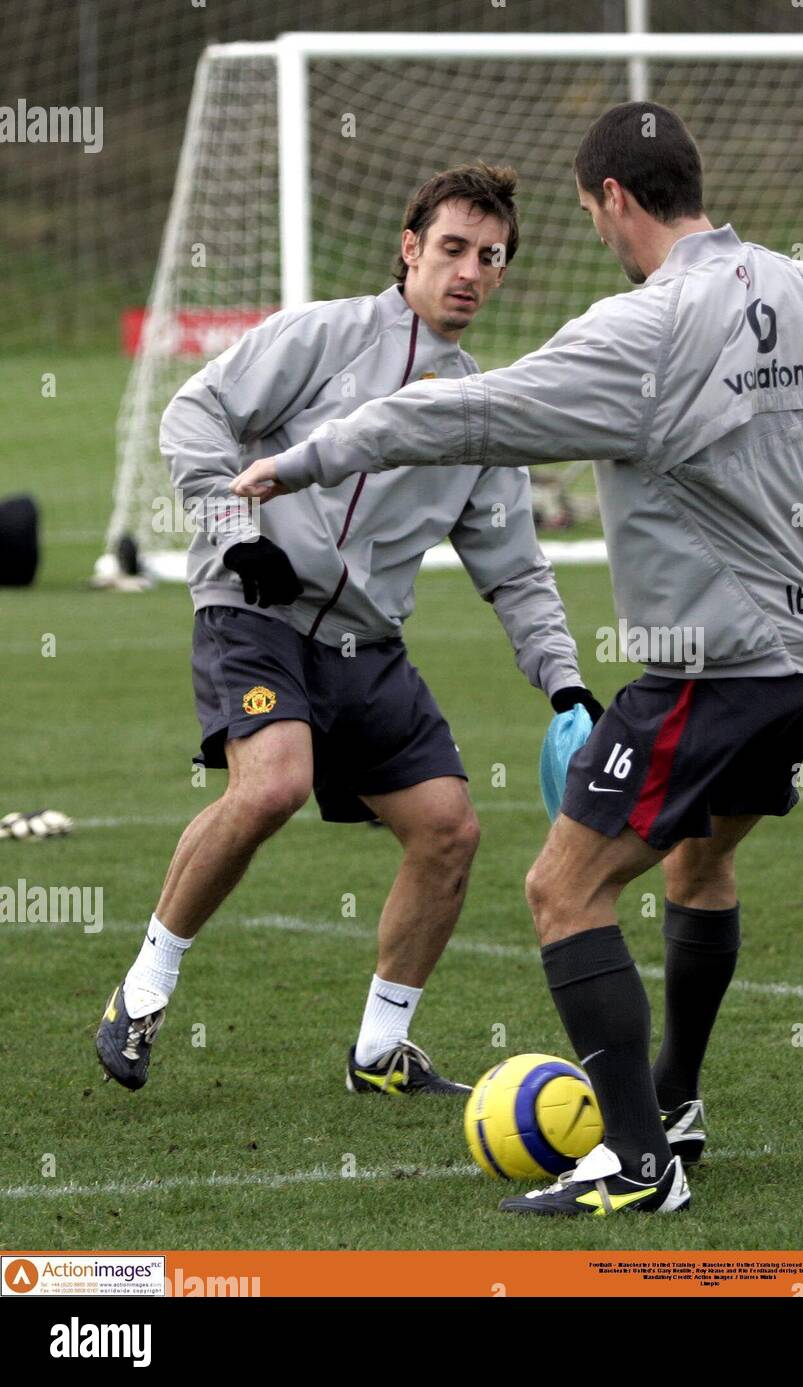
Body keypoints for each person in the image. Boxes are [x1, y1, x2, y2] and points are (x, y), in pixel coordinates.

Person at [233, 103, 803, 1215]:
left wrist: (306, 459)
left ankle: (641, 1164)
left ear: (609, 200)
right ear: (690, 182)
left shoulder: (635, 332)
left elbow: (460, 412)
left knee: (561, 890)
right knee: (699, 863)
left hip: (717, 668)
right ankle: (676, 1106)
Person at [95, 163, 601, 1097]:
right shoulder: (321, 334)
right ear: (410, 249)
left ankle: (379, 1053)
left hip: (365, 643)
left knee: (449, 829)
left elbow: (516, 570)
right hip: (253, 612)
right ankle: (143, 989)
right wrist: (238, 535)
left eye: (490, 258)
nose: (469, 272)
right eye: (452, 248)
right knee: (272, 785)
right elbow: (194, 412)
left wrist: (565, 683)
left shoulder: (483, 414)